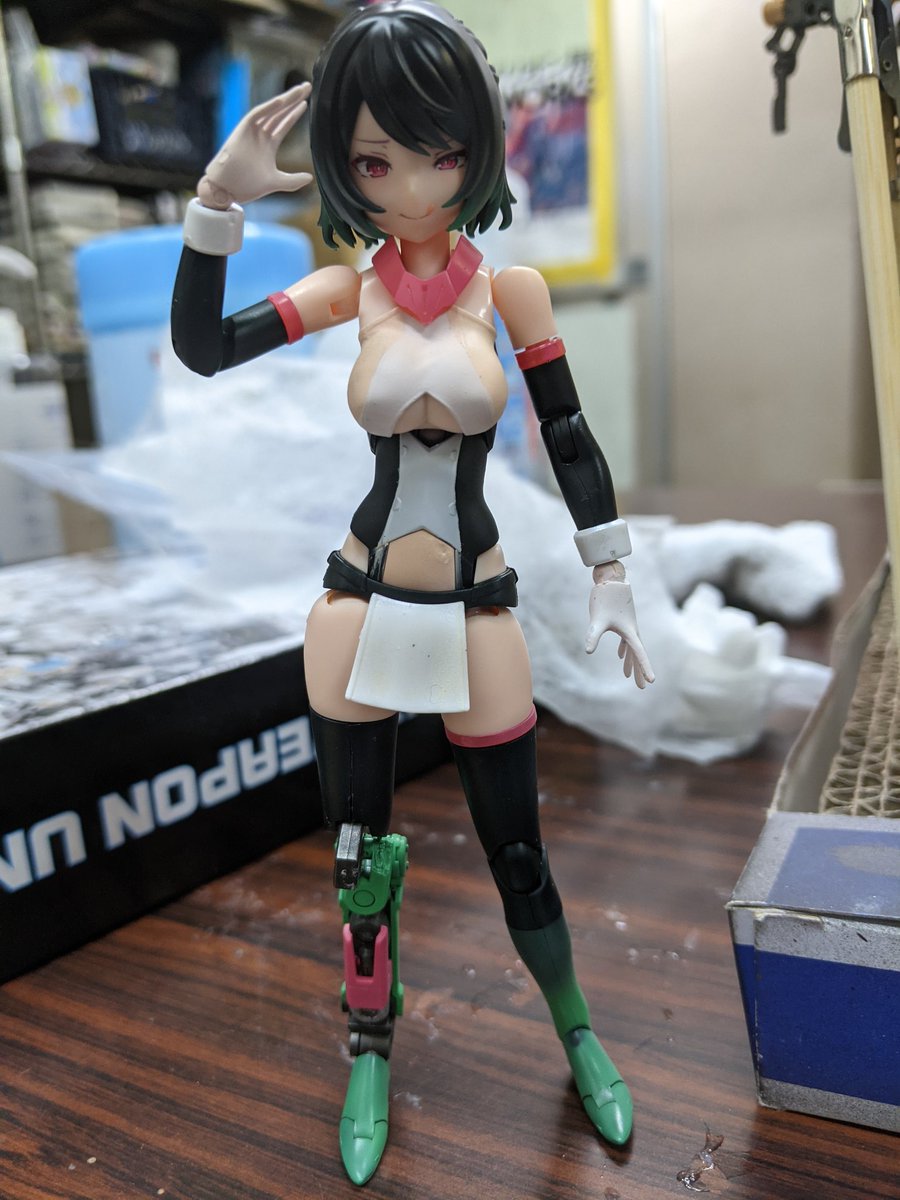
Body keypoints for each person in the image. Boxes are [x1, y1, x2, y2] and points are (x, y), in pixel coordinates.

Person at [171, 1, 653, 1185]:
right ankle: (370, 1051)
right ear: (345, 166)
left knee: (518, 852)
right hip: (357, 599)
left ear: (478, 149)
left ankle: (578, 1032)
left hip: (479, 602)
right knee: (358, 855)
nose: (414, 185)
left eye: (440, 153)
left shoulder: (513, 293)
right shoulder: (349, 293)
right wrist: (218, 204)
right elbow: (202, 348)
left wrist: (611, 568)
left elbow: (571, 436)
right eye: (376, 161)